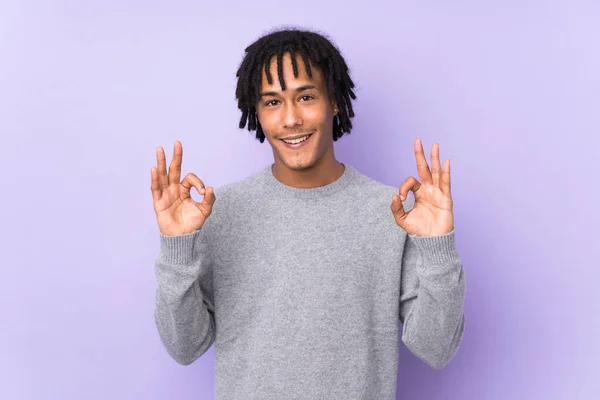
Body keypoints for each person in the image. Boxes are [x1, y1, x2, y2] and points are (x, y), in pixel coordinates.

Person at [150, 28, 466, 400]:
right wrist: (176, 247)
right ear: (257, 112)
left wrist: (438, 249)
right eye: (272, 102)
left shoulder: (394, 214)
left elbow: (436, 348)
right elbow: (184, 347)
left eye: (306, 97)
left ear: (334, 101)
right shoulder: (217, 212)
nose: (291, 119)